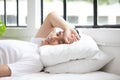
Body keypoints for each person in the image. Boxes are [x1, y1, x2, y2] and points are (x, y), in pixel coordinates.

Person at [0, 12, 80, 77]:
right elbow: (51, 16)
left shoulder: (36, 62)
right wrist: (67, 28)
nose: (53, 37)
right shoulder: (38, 44)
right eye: (58, 34)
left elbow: (4, 70)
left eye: (59, 42)